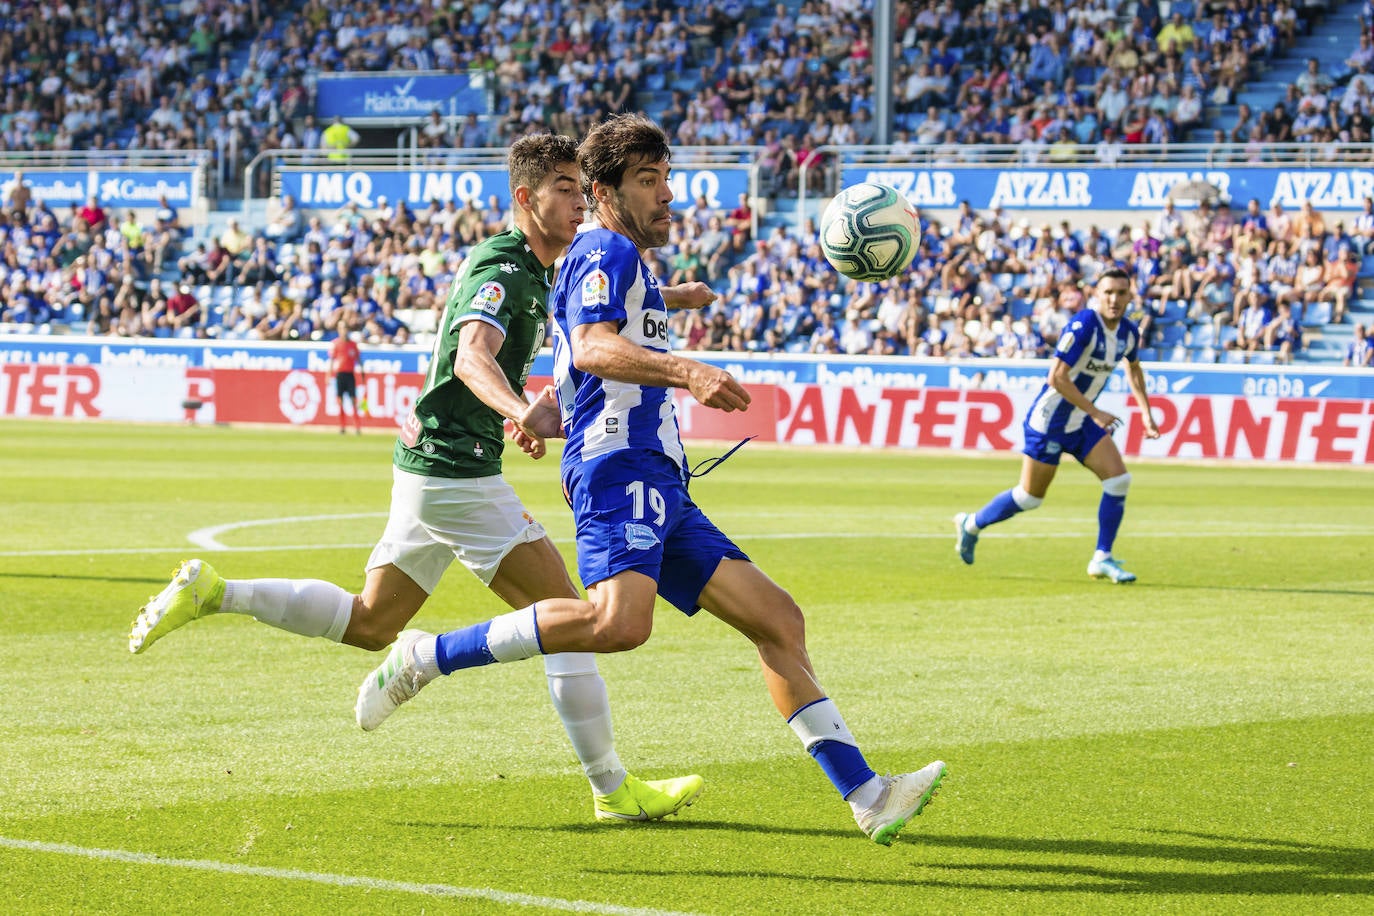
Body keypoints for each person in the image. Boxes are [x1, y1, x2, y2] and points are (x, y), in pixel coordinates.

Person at [353, 115, 946, 846]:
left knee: (778, 620)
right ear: (603, 191)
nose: (667, 194)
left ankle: (868, 795)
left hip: (659, 477)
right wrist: (688, 369)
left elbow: (592, 340)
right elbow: (599, 347)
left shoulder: (618, 256)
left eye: (667, 177)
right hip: (617, 465)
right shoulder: (603, 246)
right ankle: (425, 656)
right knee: (617, 625)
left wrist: (666, 305)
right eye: (647, 179)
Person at [127, 134, 704, 824]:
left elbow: (578, 309)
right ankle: (612, 789)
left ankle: (218, 593)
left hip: (431, 467)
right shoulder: (502, 266)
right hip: (457, 472)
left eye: (582, 189)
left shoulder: (541, 268)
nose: (579, 202)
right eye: (563, 189)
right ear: (525, 198)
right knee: (574, 619)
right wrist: (521, 411)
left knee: (372, 622)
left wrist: (665, 297)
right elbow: (470, 358)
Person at [954, 267, 1162, 583]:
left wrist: (1145, 412)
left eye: (1121, 293)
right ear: (1097, 294)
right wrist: (1095, 412)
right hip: (1049, 422)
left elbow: (1134, 369)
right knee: (1029, 497)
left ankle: (1101, 557)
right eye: (1108, 292)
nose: (1114, 299)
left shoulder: (1128, 333)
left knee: (1118, 481)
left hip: (1080, 422)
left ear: (1130, 296)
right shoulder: (1083, 325)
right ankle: (971, 524)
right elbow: (1057, 377)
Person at [328, 329, 366, 434]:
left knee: (353, 401)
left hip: (350, 375)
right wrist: (328, 375)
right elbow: (331, 360)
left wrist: (363, 373)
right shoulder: (335, 344)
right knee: (340, 401)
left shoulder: (353, 344)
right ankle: (342, 426)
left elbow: (358, 359)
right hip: (340, 374)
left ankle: (357, 426)